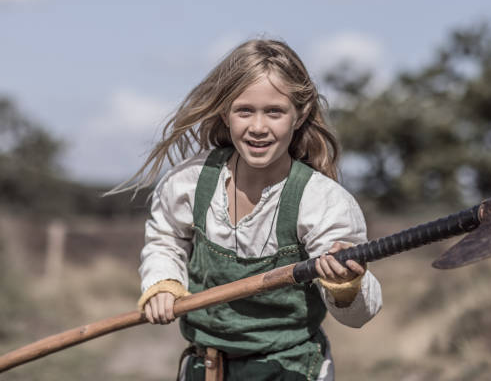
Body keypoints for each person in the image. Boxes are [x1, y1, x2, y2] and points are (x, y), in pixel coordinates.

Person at [119, 39, 382, 380]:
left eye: (274, 111)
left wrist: (346, 283)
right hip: (206, 368)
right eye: (245, 111)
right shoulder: (190, 181)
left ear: (299, 114)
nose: (258, 127)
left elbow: (359, 316)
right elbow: (165, 238)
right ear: (225, 112)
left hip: (289, 369)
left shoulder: (323, 202)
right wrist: (164, 283)